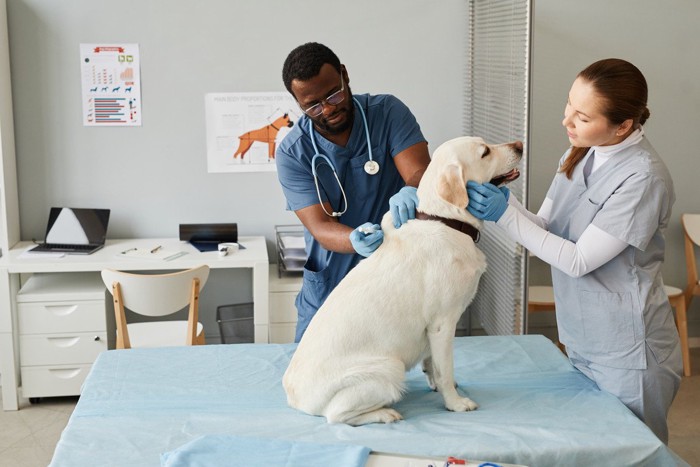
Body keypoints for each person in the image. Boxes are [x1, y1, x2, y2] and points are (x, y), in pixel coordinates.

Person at [465, 58, 682, 443]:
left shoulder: (643, 178)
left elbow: (578, 260)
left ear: (624, 126)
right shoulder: (579, 152)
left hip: (628, 351)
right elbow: (546, 229)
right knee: (596, 449)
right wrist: (506, 202)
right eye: (569, 105)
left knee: (632, 450)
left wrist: (503, 216)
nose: (567, 121)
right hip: (583, 339)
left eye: (581, 117)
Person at [276, 42, 431, 342]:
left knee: (395, 367)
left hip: (395, 274)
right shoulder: (294, 152)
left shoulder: (387, 113)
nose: (329, 108)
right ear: (298, 104)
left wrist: (412, 190)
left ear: (345, 75)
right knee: (313, 371)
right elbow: (320, 226)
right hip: (331, 283)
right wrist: (354, 240)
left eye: (334, 93)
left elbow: (418, 172)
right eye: (313, 105)